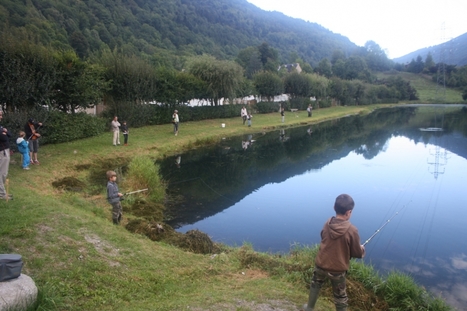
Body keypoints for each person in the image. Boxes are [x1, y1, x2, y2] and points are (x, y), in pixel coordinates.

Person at [303, 194, 365, 311]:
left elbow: (323, 236)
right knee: (340, 296)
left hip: (321, 263)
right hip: (337, 269)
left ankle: (309, 307)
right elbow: (357, 252)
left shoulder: (328, 223)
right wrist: (362, 249)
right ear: (348, 212)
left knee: (315, 284)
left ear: (334, 208)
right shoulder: (352, 230)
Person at [0, 111, 12, 200]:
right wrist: (5, 134)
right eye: (0, 115)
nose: (1, 117)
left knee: (4, 173)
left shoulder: (1, 127)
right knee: (1, 174)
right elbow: (4, 138)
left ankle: (2, 192)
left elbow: (9, 135)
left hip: (5, 151)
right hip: (1, 152)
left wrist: (6, 133)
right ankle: (2, 194)